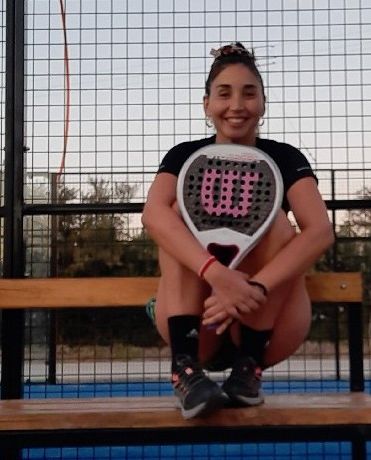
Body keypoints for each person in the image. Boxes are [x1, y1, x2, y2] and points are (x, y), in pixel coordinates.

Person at [141, 42, 334, 419]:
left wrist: (252, 288)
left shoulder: (285, 157)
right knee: (176, 214)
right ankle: (184, 369)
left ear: (263, 102)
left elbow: (319, 232)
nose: (237, 105)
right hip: (201, 324)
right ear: (206, 104)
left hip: (272, 326)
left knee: (278, 222)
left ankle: (249, 368)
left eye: (249, 93)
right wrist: (218, 277)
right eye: (224, 93)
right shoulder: (183, 156)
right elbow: (153, 216)